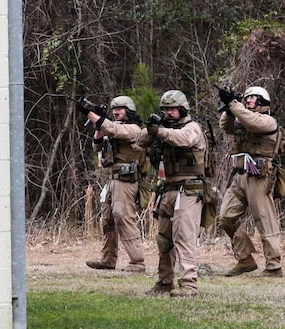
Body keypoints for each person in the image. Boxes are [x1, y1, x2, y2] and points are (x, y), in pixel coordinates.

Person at [139, 90, 208, 298]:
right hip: (167, 190)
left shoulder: (192, 127)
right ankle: (164, 281)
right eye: (165, 110)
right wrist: (152, 127)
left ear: (182, 108)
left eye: (172, 109)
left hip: (189, 190)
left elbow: (183, 140)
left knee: (184, 237)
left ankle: (189, 285)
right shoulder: (163, 128)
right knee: (164, 239)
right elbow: (140, 141)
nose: (169, 113)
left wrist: (159, 131)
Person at [216, 86, 285, 278]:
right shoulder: (243, 117)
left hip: (260, 177)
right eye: (246, 98)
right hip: (240, 176)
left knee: (265, 221)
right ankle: (245, 258)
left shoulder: (267, 121)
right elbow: (226, 127)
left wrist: (233, 103)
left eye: (252, 98)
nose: (248, 101)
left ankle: (274, 265)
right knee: (226, 217)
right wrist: (229, 109)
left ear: (263, 102)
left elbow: (252, 121)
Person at [81, 96, 148, 273]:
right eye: (114, 109)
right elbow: (97, 147)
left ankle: (137, 262)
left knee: (123, 217)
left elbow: (115, 129)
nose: (116, 112)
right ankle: (108, 259)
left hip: (127, 181)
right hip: (113, 180)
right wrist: (98, 126)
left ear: (129, 110)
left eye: (120, 109)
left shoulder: (134, 129)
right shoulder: (113, 127)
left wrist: (92, 114)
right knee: (108, 220)